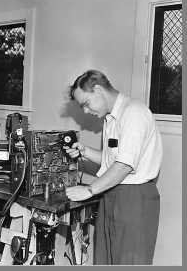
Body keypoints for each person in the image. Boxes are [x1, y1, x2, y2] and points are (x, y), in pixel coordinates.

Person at [64, 69, 162, 265]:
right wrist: (86, 151)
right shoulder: (110, 119)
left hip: (134, 199)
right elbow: (112, 161)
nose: (85, 111)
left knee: (129, 262)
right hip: (112, 194)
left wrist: (89, 190)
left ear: (98, 90)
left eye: (86, 103)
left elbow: (124, 166)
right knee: (105, 259)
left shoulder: (134, 112)